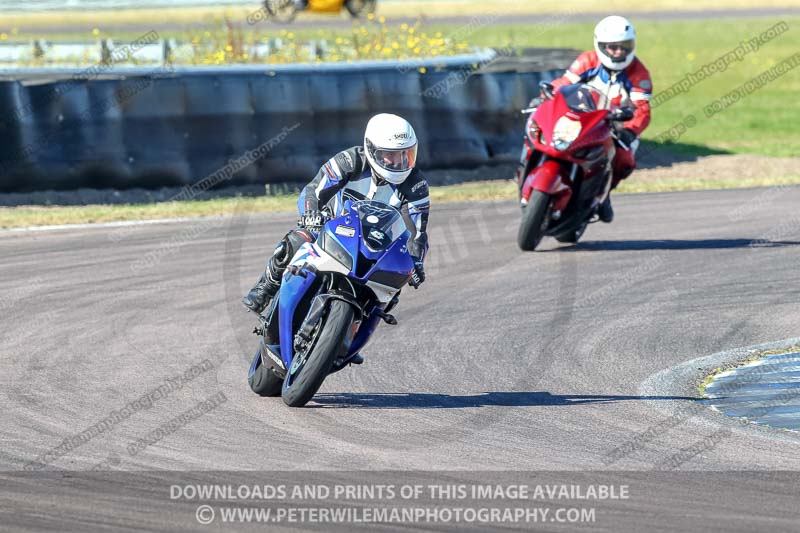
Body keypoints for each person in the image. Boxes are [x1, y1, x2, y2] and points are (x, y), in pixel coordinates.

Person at [242, 113, 430, 321]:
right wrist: (310, 215)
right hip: (332, 229)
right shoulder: (351, 160)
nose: (400, 162)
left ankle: (349, 340)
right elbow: (314, 190)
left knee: (392, 291)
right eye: (391, 155)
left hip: (375, 247)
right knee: (298, 239)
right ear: (372, 149)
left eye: (406, 154)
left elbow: (417, 232)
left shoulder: (416, 184)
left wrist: (415, 261)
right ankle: (266, 287)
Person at [547, 15, 652, 223]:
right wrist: (547, 94)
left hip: (616, 125)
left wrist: (630, 131)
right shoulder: (587, 60)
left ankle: (604, 195)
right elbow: (564, 83)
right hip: (582, 117)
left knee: (625, 161)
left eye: (624, 46)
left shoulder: (639, 73)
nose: (619, 52)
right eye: (613, 47)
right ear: (601, 45)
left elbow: (642, 109)